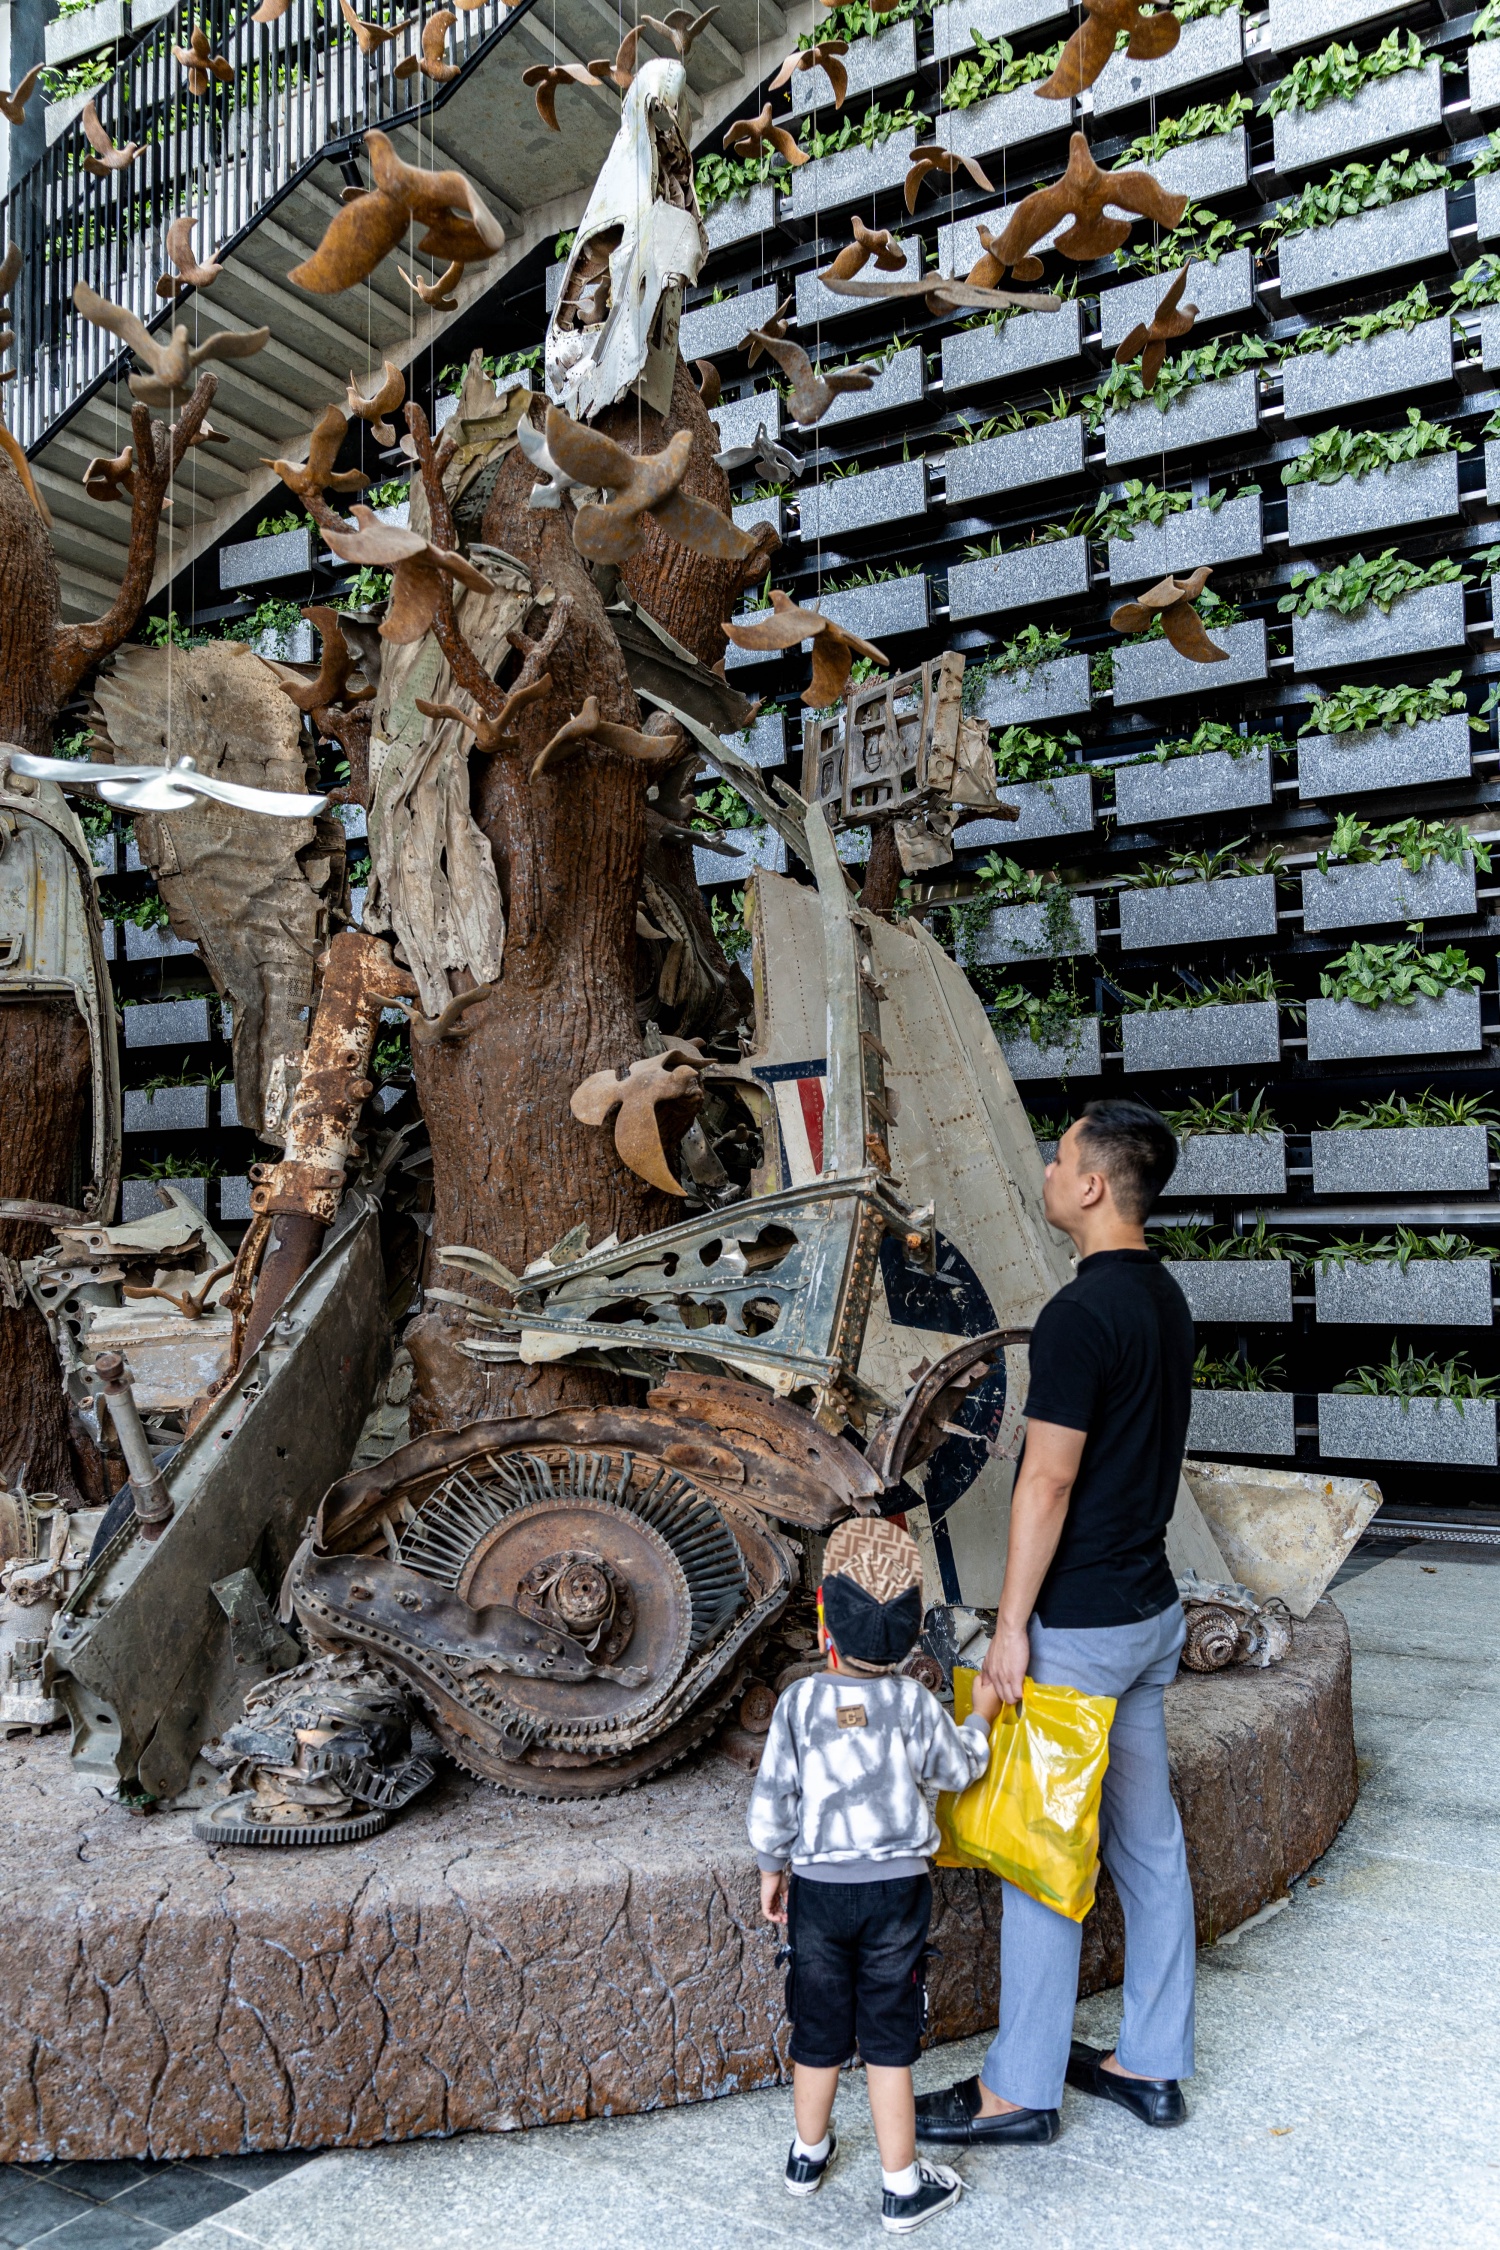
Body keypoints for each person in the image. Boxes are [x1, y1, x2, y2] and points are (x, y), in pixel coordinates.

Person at [915, 1097, 1196, 2151]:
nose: (1046, 1168)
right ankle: (1152, 2063)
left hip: (1078, 1626)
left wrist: (1010, 1629)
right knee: (1148, 1844)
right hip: (1150, 1614)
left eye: (1059, 1156)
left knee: (1043, 1850)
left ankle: (1018, 2090)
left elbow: (1046, 1482)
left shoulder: (1079, 1316)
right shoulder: (1164, 1299)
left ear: (1090, 1187)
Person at [747, 1516, 1002, 2234]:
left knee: (818, 2028)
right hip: (898, 1895)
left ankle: (807, 2155)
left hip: (819, 1894)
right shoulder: (914, 1705)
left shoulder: (798, 1705)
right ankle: (900, 2186)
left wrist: (773, 1868)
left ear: (825, 1616)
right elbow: (961, 1766)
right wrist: (979, 1715)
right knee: (889, 2042)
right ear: (910, 1626)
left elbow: (773, 1801)